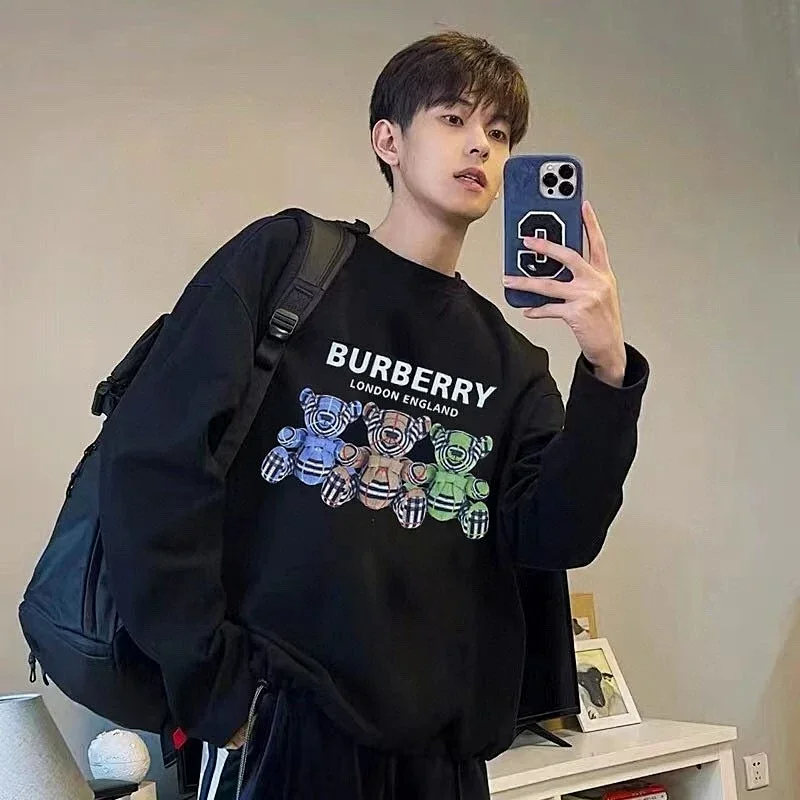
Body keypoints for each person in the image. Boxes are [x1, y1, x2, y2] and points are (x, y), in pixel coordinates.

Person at [99, 30, 649, 800]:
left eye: (499, 134)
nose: (481, 146)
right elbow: (153, 462)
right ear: (388, 140)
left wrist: (608, 369)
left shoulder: (511, 362)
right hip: (279, 733)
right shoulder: (286, 263)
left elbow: (559, 537)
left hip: (441, 759)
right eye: (454, 119)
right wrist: (218, 687)